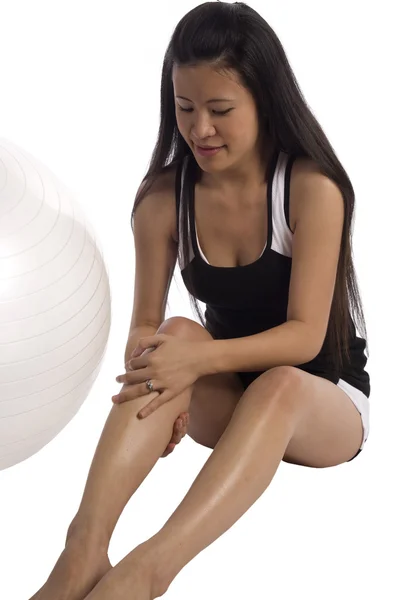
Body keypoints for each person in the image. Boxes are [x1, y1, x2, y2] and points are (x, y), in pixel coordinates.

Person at [29, 2, 371, 599]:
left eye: (220, 110)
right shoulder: (163, 200)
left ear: (265, 101)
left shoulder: (312, 190)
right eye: (185, 109)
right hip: (227, 399)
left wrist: (192, 366)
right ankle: (82, 552)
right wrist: (166, 376)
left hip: (321, 403)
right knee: (177, 332)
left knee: (277, 381)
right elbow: (144, 327)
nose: (199, 129)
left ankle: (147, 571)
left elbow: (305, 337)